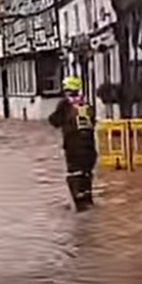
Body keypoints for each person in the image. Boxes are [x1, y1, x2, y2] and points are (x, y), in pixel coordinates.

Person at [49, 76, 97, 212]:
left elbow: (54, 121)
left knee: (74, 176)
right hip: (90, 148)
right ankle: (87, 202)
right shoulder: (86, 104)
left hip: (73, 146)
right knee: (86, 175)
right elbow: (93, 122)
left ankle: (79, 207)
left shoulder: (65, 104)